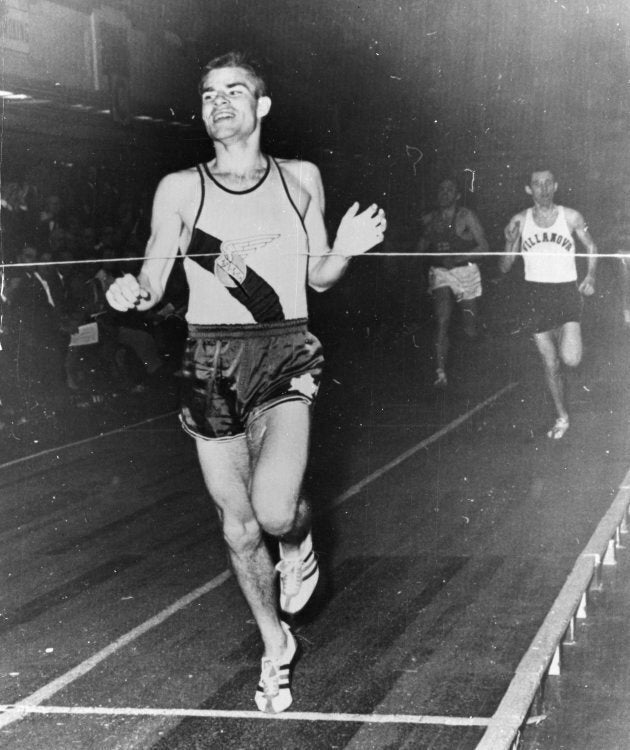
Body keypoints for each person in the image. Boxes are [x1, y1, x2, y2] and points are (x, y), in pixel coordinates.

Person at [106, 51, 386, 713]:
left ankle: (298, 546)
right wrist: (132, 291)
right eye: (208, 94)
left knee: (274, 510)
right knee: (236, 526)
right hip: (209, 360)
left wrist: (344, 246)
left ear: (262, 106)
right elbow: (154, 275)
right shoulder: (181, 188)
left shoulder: (300, 179)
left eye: (236, 91)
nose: (220, 102)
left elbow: (318, 275)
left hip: (285, 350)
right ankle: (274, 646)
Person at [500, 169, 597, 439]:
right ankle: (562, 417)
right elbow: (505, 266)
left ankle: (566, 333)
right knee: (550, 363)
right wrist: (509, 243)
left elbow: (591, 245)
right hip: (535, 296)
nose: (542, 188)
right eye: (536, 184)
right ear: (528, 189)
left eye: (547, 184)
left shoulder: (571, 216)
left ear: (555, 186)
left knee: (571, 359)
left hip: (566, 292)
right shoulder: (519, 221)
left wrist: (590, 275)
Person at [417, 177, 489, 387]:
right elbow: (421, 246)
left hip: (466, 272)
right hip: (441, 272)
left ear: (457, 195)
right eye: (441, 189)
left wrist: (458, 258)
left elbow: (485, 248)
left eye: (449, 190)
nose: (444, 193)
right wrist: (411, 264)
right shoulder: (430, 220)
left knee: (470, 328)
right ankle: (440, 372)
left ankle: (477, 347)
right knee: (442, 320)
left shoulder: (466, 216)